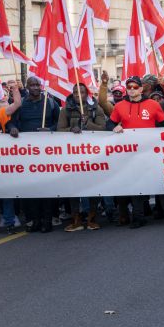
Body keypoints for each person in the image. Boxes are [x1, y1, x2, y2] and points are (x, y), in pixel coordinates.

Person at [108, 75, 164, 228]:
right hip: (131, 154)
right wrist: (115, 127)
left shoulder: (153, 104)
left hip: (152, 151)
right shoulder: (119, 106)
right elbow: (109, 123)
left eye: (135, 87)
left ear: (141, 88)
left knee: (161, 183)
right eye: (129, 87)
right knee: (136, 184)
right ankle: (138, 217)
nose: (132, 90)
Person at [57, 83, 107, 232]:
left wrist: (88, 123)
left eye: (82, 93)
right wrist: (71, 130)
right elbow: (59, 129)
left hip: (92, 155)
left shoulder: (95, 109)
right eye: (76, 93)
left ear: (87, 94)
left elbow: (102, 128)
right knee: (73, 187)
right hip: (72, 156)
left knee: (93, 185)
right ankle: (76, 219)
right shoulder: (66, 110)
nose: (79, 95)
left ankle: (92, 218)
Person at [13, 76, 60, 232]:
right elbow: (11, 121)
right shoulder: (21, 104)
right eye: (31, 85)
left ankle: (47, 220)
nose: (35, 87)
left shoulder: (50, 103)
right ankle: (35, 220)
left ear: (41, 86)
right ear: (27, 87)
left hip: (46, 153)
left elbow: (59, 123)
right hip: (26, 154)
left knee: (46, 187)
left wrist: (50, 130)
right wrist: (12, 128)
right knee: (31, 187)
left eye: (37, 85)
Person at [0, 84, 22, 235]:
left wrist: (15, 90)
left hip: (0, 166)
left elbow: (16, 104)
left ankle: (9, 222)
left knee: (6, 193)